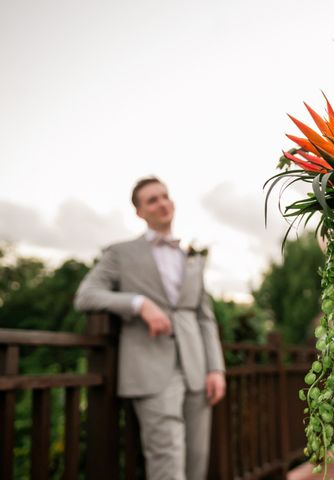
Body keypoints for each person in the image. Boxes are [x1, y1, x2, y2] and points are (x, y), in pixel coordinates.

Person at [74, 176, 226, 480]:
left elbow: (204, 317)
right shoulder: (120, 253)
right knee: (167, 464)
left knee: (198, 462)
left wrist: (216, 369)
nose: (162, 203)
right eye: (152, 200)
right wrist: (138, 303)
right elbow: (86, 296)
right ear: (139, 212)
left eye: (165, 196)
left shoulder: (191, 259)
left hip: (197, 369)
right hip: (151, 370)